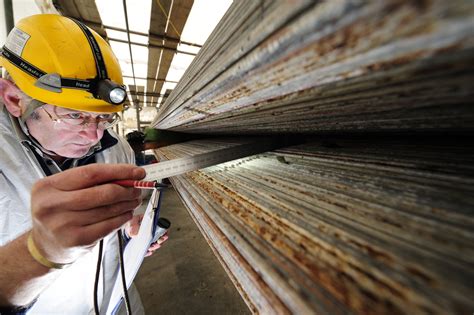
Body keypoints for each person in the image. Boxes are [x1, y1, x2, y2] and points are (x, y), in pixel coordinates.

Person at [0, 14, 166, 314]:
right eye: (74, 115)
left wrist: (130, 228)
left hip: (119, 301)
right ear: (14, 99)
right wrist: (40, 252)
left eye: (104, 117)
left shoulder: (119, 149)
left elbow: (133, 208)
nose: (94, 135)